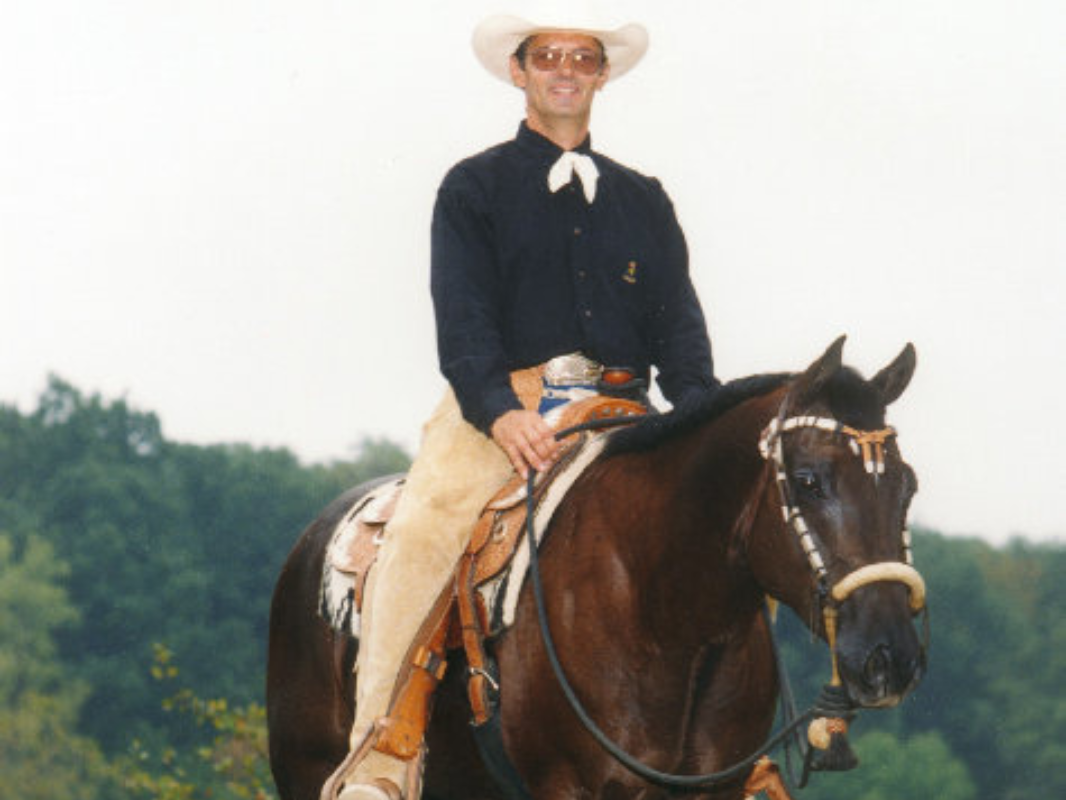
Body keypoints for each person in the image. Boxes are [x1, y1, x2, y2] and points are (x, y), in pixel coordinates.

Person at [334, 5, 718, 799]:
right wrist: (498, 411)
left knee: (729, 529)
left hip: (622, 414)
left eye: (584, 57)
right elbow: (462, 318)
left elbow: (680, 335)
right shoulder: (472, 188)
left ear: (603, 74)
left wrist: (704, 430)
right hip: (502, 410)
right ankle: (385, 754)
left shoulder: (645, 199)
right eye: (549, 56)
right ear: (520, 71)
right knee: (424, 529)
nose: (567, 70)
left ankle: (741, 760)